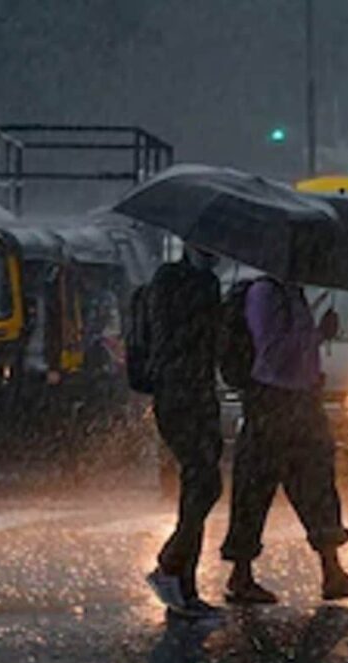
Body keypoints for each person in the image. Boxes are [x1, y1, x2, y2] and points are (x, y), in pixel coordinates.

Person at [221, 276, 348, 603]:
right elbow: (273, 351)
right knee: (255, 487)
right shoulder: (265, 294)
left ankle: (332, 572)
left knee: (317, 484)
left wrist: (319, 337)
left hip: (303, 400)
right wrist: (316, 335)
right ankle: (241, 574)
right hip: (273, 401)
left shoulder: (293, 293)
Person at [145, 245, 223, 619]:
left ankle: (184, 584)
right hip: (176, 392)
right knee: (205, 483)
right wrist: (210, 311)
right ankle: (169, 564)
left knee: (199, 486)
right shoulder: (169, 280)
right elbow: (173, 336)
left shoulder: (208, 283)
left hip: (202, 392)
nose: (214, 256)